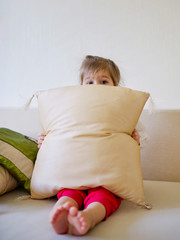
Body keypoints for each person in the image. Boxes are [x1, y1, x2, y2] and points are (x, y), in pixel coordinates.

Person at [38, 55, 140, 236]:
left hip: (106, 176)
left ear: (116, 87)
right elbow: (61, 139)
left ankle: (90, 216)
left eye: (103, 81)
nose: (96, 87)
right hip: (74, 173)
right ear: (81, 88)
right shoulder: (70, 112)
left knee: (105, 195)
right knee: (68, 192)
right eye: (90, 82)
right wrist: (46, 143)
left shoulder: (121, 114)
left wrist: (134, 141)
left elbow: (128, 151)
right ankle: (62, 210)